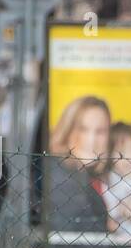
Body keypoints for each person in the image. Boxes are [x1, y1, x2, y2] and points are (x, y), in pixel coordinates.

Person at [45, 96, 112, 233]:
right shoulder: (61, 176)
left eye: (100, 131)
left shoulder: (79, 174)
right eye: (83, 129)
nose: (91, 140)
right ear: (67, 130)